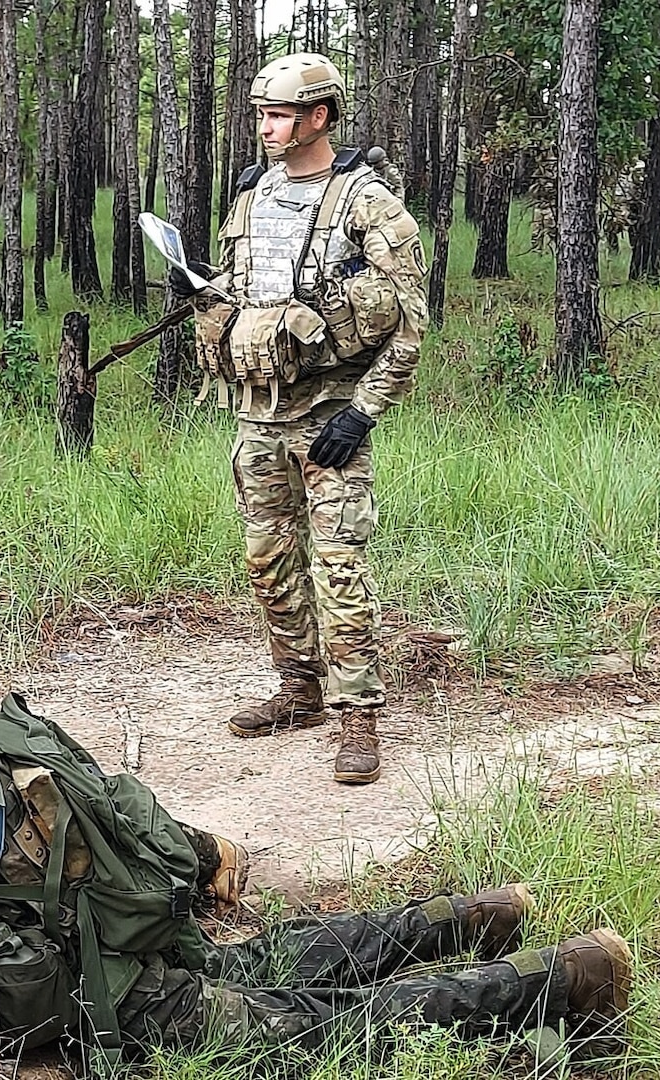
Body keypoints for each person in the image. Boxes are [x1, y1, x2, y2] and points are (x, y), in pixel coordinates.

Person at [0, 610, 634, 1068]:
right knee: (288, 962)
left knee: (316, 1031)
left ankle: (556, 980)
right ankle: (469, 917)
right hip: (112, 937)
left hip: (106, 983)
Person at [174, 54, 429, 783]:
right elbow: (244, 284)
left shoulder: (367, 203)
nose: (266, 127)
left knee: (341, 568)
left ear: (319, 116)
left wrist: (362, 413)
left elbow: (410, 324)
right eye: (260, 114)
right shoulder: (253, 195)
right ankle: (299, 690)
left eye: (279, 114)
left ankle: (358, 719)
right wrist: (201, 290)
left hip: (328, 417)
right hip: (259, 416)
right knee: (268, 562)